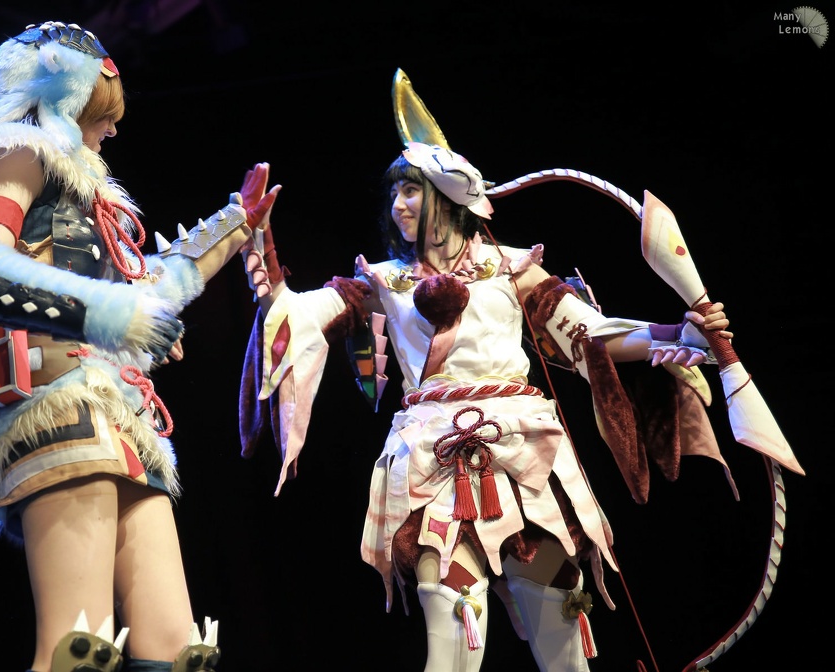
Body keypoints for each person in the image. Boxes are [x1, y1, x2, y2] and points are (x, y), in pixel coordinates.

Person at [235, 134, 742, 667]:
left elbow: (592, 335)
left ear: (448, 196)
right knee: (451, 643)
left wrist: (680, 334)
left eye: (411, 191)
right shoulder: (383, 282)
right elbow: (298, 317)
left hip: (525, 472)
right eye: (394, 194)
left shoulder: (512, 267)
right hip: (435, 473)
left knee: (562, 640)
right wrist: (260, 249)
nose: (398, 205)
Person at [0, 21, 272, 672]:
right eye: (99, 112)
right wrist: (113, 316)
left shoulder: (83, 199)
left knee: (178, 654)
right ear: (64, 95)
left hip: (121, 418)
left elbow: (146, 292)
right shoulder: (19, 152)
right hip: (55, 405)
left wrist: (236, 226)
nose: (111, 128)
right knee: (79, 651)